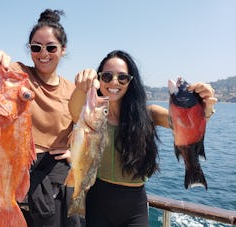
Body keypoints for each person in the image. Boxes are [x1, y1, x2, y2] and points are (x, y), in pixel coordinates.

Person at [69, 50, 217, 226]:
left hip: (135, 206)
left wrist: (205, 108)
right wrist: (81, 86)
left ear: (131, 81)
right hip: (97, 201)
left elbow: (183, 123)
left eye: (122, 77)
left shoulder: (150, 113)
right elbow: (74, 110)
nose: (114, 82)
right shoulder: (91, 117)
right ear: (99, 79)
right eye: (107, 76)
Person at [0, 9, 82, 227]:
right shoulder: (18, 74)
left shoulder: (73, 91)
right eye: (36, 47)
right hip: (10, 172)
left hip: (52, 184)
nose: (43, 53)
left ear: (63, 50)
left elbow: (85, 130)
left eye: (51, 47)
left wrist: (75, 154)